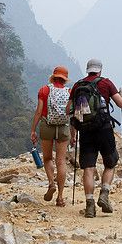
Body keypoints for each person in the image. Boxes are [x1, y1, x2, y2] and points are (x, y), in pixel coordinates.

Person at [68, 58, 122, 218]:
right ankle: (104, 194)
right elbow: (121, 104)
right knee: (110, 163)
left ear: (87, 70)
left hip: (86, 131)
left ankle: (89, 205)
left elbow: (70, 111)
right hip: (104, 129)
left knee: (88, 168)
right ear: (100, 70)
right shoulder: (106, 83)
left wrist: (73, 134)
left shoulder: (78, 86)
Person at [30, 66, 73, 206]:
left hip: (47, 126)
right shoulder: (69, 92)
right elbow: (72, 114)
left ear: (53, 77)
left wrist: (33, 130)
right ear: (65, 79)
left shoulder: (44, 90)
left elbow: (38, 112)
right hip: (63, 128)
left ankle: (51, 183)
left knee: (48, 158)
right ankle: (60, 198)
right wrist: (73, 134)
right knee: (61, 162)